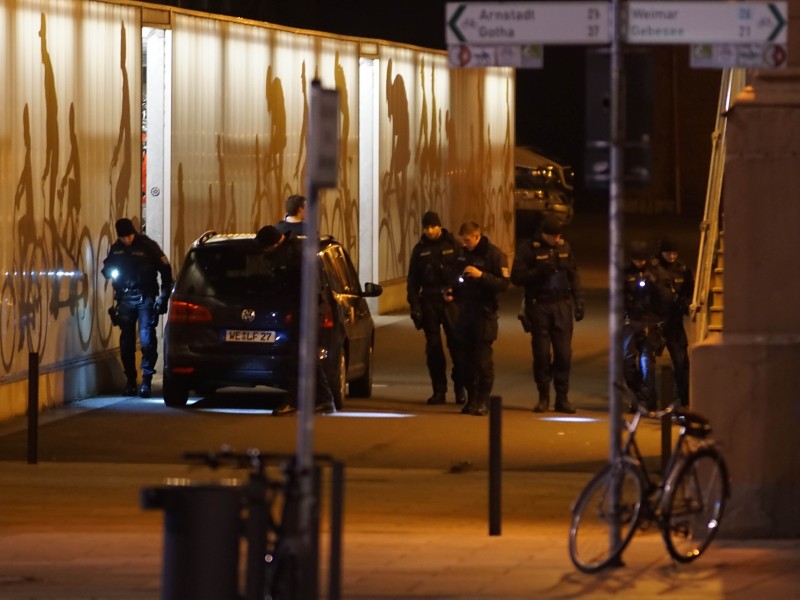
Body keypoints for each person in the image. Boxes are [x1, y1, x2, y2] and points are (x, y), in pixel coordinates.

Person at [255, 225, 334, 415]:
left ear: (273, 244)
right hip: (304, 310)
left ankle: (296, 401)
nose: (264, 252)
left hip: (306, 310)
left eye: (265, 248)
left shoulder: (297, 254)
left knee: (300, 358)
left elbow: (304, 285)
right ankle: (324, 399)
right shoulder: (293, 250)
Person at [511, 217, 584, 414]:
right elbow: (516, 277)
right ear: (544, 234)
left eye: (559, 236)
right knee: (542, 354)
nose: (557, 239)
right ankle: (543, 397)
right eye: (554, 236)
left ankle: (562, 398)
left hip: (561, 304)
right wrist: (537, 272)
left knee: (564, 355)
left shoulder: (565, 247)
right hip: (539, 305)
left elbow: (573, 274)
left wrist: (579, 301)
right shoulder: (528, 249)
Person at [102, 218, 173, 398]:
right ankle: (131, 381)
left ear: (133, 232)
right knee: (126, 341)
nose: (126, 239)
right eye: (123, 237)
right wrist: (110, 270)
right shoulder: (117, 248)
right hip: (126, 298)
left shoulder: (148, 246)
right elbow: (107, 266)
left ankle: (146, 380)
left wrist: (164, 297)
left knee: (146, 338)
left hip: (145, 297)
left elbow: (165, 269)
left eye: (129, 236)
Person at [406, 211, 466, 405]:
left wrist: (459, 295)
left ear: (439, 226)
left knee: (457, 345)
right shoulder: (420, 250)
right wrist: (415, 306)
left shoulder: (453, 245)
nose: (430, 230)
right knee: (433, 348)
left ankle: (460, 387)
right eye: (427, 227)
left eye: (433, 226)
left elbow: (463, 272)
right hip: (429, 301)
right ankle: (439, 390)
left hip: (450, 300)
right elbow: (413, 281)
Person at [454, 221, 510, 416]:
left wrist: (481, 276)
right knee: (465, 359)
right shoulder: (463, 254)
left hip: (485, 313)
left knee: (482, 360)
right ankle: (471, 398)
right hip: (466, 312)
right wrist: (453, 290)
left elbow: (504, 284)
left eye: (468, 240)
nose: (465, 243)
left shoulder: (495, 255)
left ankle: (483, 400)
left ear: (477, 237)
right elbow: (457, 277)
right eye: (464, 240)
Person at [622, 240, 670, 411]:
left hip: (650, 320)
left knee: (646, 362)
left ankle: (644, 399)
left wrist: (655, 284)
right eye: (636, 260)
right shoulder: (625, 272)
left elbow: (666, 298)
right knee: (627, 362)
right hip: (631, 320)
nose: (640, 263)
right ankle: (637, 396)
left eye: (642, 260)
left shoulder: (656, 271)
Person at [653, 238, 694, 406]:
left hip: (675, 322)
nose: (672, 256)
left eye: (675, 253)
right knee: (645, 362)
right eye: (669, 253)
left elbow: (689, 291)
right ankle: (646, 401)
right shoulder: (654, 270)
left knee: (681, 361)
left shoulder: (682, 270)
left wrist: (684, 304)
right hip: (656, 321)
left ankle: (685, 398)